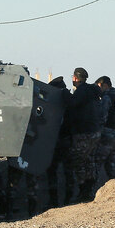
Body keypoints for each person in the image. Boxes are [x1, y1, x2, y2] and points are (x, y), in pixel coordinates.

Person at [67, 67, 102, 202]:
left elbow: (73, 105)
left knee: (79, 161)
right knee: (89, 161)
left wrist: (65, 95)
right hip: (94, 131)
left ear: (75, 78)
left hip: (83, 132)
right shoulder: (92, 90)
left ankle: (84, 192)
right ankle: (90, 189)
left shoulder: (81, 91)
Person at [46, 76, 74, 207]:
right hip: (66, 141)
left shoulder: (54, 103)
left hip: (57, 142)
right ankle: (68, 199)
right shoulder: (70, 101)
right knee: (68, 171)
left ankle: (55, 201)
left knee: (53, 171)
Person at [94, 76, 115, 179]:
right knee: (111, 166)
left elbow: (101, 118)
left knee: (95, 165)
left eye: (99, 87)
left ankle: (89, 193)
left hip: (105, 135)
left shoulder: (107, 98)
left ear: (105, 85)